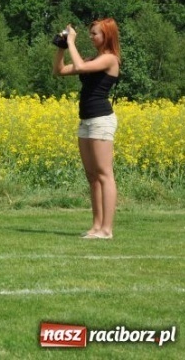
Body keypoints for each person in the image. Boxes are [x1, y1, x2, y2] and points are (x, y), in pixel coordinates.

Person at [53, 18, 121, 240]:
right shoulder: (93, 59)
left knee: (104, 174)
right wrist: (61, 47)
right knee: (92, 176)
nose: (91, 37)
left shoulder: (110, 59)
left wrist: (72, 41)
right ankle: (96, 226)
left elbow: (80, 67)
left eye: (95, 34)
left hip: (101, 120)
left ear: (106, 36)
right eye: (90, 33)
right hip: (86, 121)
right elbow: (59, 70)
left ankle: (106, 229)